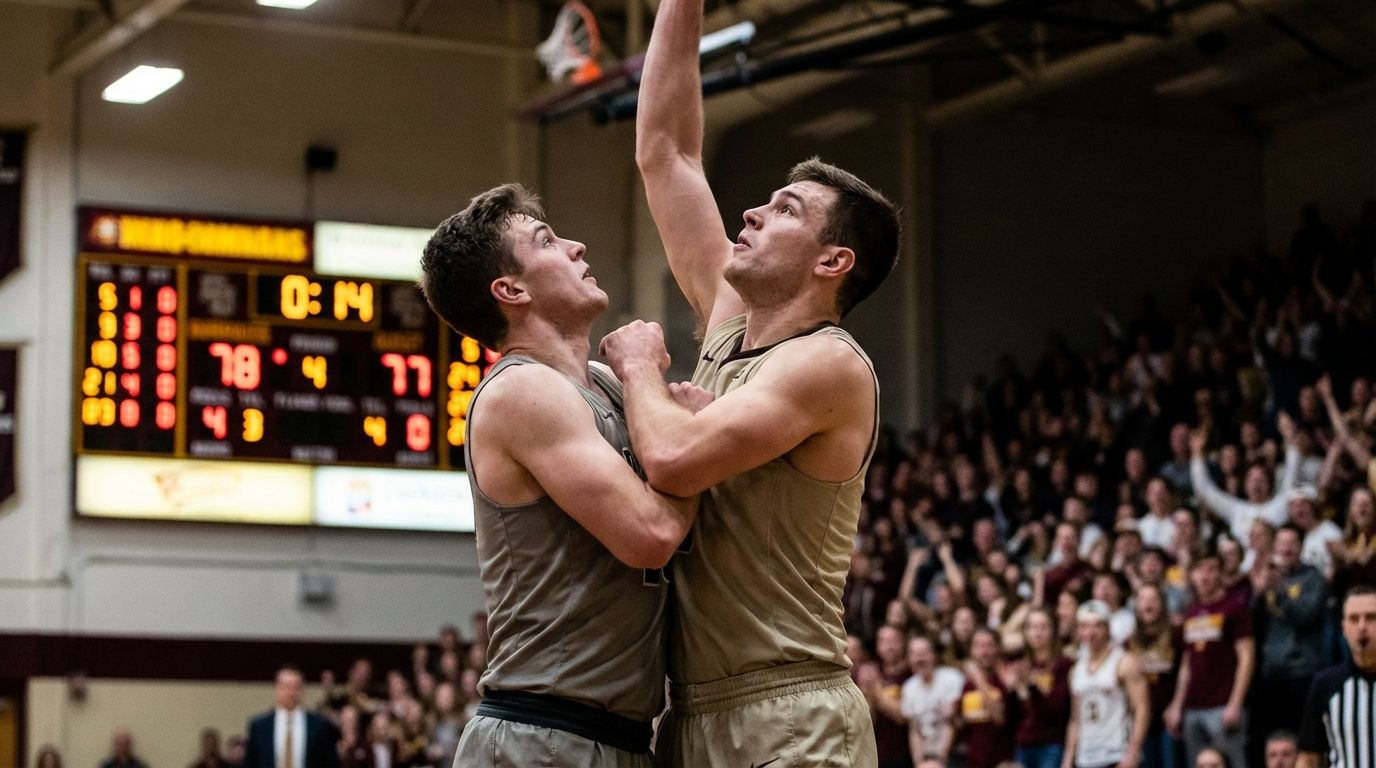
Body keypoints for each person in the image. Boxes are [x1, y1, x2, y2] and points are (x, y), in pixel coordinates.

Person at [602, 0, 900, 764]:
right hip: (692, 707)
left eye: (785, 209)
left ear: (832, 262)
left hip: (789, 709)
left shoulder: (828, 363)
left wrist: (639, 369)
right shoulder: (734, 321)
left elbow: (672, 461)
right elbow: (666, 152)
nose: (752, 212)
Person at [418, 184, 699, 765]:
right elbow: (649, 534)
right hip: (544, 734)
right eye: (547, 240)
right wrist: (655, 384)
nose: (575, 245)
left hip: (613, 734)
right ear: (511, 290)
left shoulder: (604, 381)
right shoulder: (522, 389)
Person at [1163, 555, 1255, 768]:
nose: (1205, 576)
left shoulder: (1234, 608)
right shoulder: (1192, 612)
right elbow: (1187, 664)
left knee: (1230, 762)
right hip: (1194, 706)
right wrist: (1177, 705)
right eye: (1200, 570)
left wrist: (1236, 702)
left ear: (1221, 574)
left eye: (1211, 569)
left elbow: (1247, 657)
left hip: (1223, 704)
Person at [1250, 524, 1330, 766]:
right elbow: (1254, 625)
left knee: (1304, 741)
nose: (1286, 547)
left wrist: (1280, 590)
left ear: (1301, 546)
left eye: (1291, 542)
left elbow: (1306, 616)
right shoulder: (1269, 577)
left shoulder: (1313, 577)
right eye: (1281, 542)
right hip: (1271, 672)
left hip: (1303, 672)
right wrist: (1258, 593)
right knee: (1272, 743)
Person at [1063, 600, 1151, 768]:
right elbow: (1075, 719)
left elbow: (1142, 709)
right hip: (1086, 756)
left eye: (1097, 626)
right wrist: (1068, 760)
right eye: (1085, 626)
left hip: (1117, 753)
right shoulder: (1075, 670)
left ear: (1108, 628)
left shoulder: (1124, 662)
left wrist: (1133, 752)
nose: (1091, 632)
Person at [1298, 585, 1376, 768]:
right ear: (1344, 628)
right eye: (1354, 619)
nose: (1362, 626)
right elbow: (1309, 758)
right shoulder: (1326, 684)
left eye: (1371, 618)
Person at [243, 665, 340, 768]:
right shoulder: (259, 726)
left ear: (302, 690)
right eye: (286, 686)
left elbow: (330, 763)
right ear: (277, 689)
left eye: (296, 687)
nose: (291, 692)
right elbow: (250, 763)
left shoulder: (319, 726)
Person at [901, 635, 965, 766]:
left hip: (954, 751)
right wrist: (919, 763)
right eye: (915, 654)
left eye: (924, 653)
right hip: (926, 754)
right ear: (909, 659)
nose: (920, 659)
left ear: (933, 655)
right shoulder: (909, 687)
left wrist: (939, 761)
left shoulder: (952, 678)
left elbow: (950, 723)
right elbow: (914, 730)